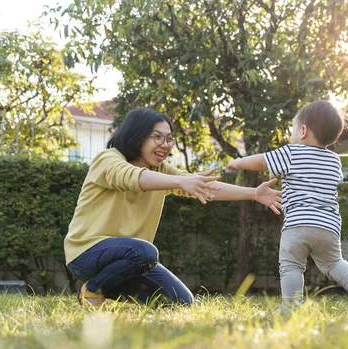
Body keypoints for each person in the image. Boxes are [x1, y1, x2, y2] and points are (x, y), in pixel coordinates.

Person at [65, 108, 282, 307]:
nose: (165, 144)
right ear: (136, 135)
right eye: (157, 137)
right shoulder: (108, 159)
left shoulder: (162, 170)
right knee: (145, 251)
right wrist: (179, 182)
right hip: (86, 253)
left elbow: (205, 186)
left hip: (130, 259)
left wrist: (253, 193)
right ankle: (93, 290)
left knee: (182, 301)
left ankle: (105, 289)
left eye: (169, 139)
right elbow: (132, 177)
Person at [227, 100, 348, 309]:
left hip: (298, 223)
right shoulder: (335, 161)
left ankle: (291, 306)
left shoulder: (292, 153)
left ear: (303, 130)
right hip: (329, 227)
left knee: (291, 266)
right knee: (334, 263)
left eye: (293, 129)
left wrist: (238, 162)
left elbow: (262, 161)